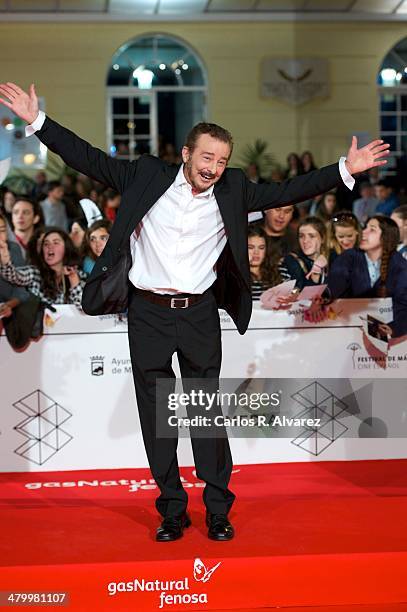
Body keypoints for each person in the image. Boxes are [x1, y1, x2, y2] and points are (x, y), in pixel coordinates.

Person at [0, 80, 389, 543]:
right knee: (157, 415)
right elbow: (88, 157)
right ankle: (171, 508)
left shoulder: (234, 189)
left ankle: (218, 507)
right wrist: (37, 121)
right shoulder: (146, 176)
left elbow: (291, 188)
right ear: (187, 153)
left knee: (205, 411)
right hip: (147, 312)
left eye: (222, 161)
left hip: (200, 312)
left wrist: (347, 167)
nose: (214, 168)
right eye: (207, 158)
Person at [327, 215, 407, 338]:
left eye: (372, 229)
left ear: (386, 237)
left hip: (386, 340)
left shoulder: (399, 264)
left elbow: (403, 303)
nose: (363, 232)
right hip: (347, 330)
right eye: (365, 228)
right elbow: (333, 290)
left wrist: (393, 327)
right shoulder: (348, 257)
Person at [0, 226, 86, 308]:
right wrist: (5, 261)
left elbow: (83, 308)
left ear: (66, 248)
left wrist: (73, 279)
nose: (50, 247)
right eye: (46, 244)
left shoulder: (79, 275)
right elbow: (14, 276)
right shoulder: (35, 273)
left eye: (56, 242)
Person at [284, 217, 328, 290]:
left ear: (322, 238)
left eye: (311, 236)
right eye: (301, 236)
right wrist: (315, 272)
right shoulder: (292, 260)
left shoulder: (332, 257)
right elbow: (304, 294)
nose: (305, 241)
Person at [248, 226, 290, 300]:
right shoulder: (235, 276)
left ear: (266, 249)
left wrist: (293, 295)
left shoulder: (280, 271)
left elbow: (294, 292)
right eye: (251, 247)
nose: (256, 252)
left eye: (261, 248)